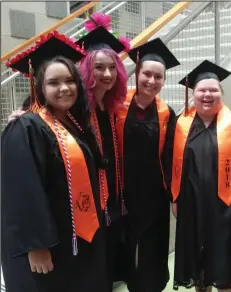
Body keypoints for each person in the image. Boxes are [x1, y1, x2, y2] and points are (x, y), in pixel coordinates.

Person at [1, 31, 110, 292]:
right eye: (53, 83)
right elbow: (20, 192)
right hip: (48, 246)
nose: (64, 88)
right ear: (39, 86)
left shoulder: (73, 124)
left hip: (73, 239)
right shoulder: (27, 126)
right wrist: (36, 245)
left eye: (70, 81)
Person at [171, 60, 231, 291]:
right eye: (202, 90)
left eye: (213, 90)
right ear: (193, 93)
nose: (207, 95)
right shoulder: (182, 124)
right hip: (192, 204)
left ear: (221, 93)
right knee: (198, 259)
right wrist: (175, 198)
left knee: (224, 259)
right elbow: (173, 164)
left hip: (227, 206)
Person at [115, 37, 179, 292]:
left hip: (155, 194)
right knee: (125, 243)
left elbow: (173, 155)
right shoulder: (116, 106)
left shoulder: (167, 113)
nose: (152, 81)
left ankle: (153, 286)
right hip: (122, 191)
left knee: (154, 246)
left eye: (158, 77)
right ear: (137, 73)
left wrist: (173, 194)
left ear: (164, 80)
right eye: (147, 74)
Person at [75, 12, 131, 289]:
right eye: (98, 67)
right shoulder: (74, 110)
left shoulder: (111, 108)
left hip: (112, 203)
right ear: (85, 68)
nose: (107, 74)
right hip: (88, 206)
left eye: (112, 68)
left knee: (107, 269)